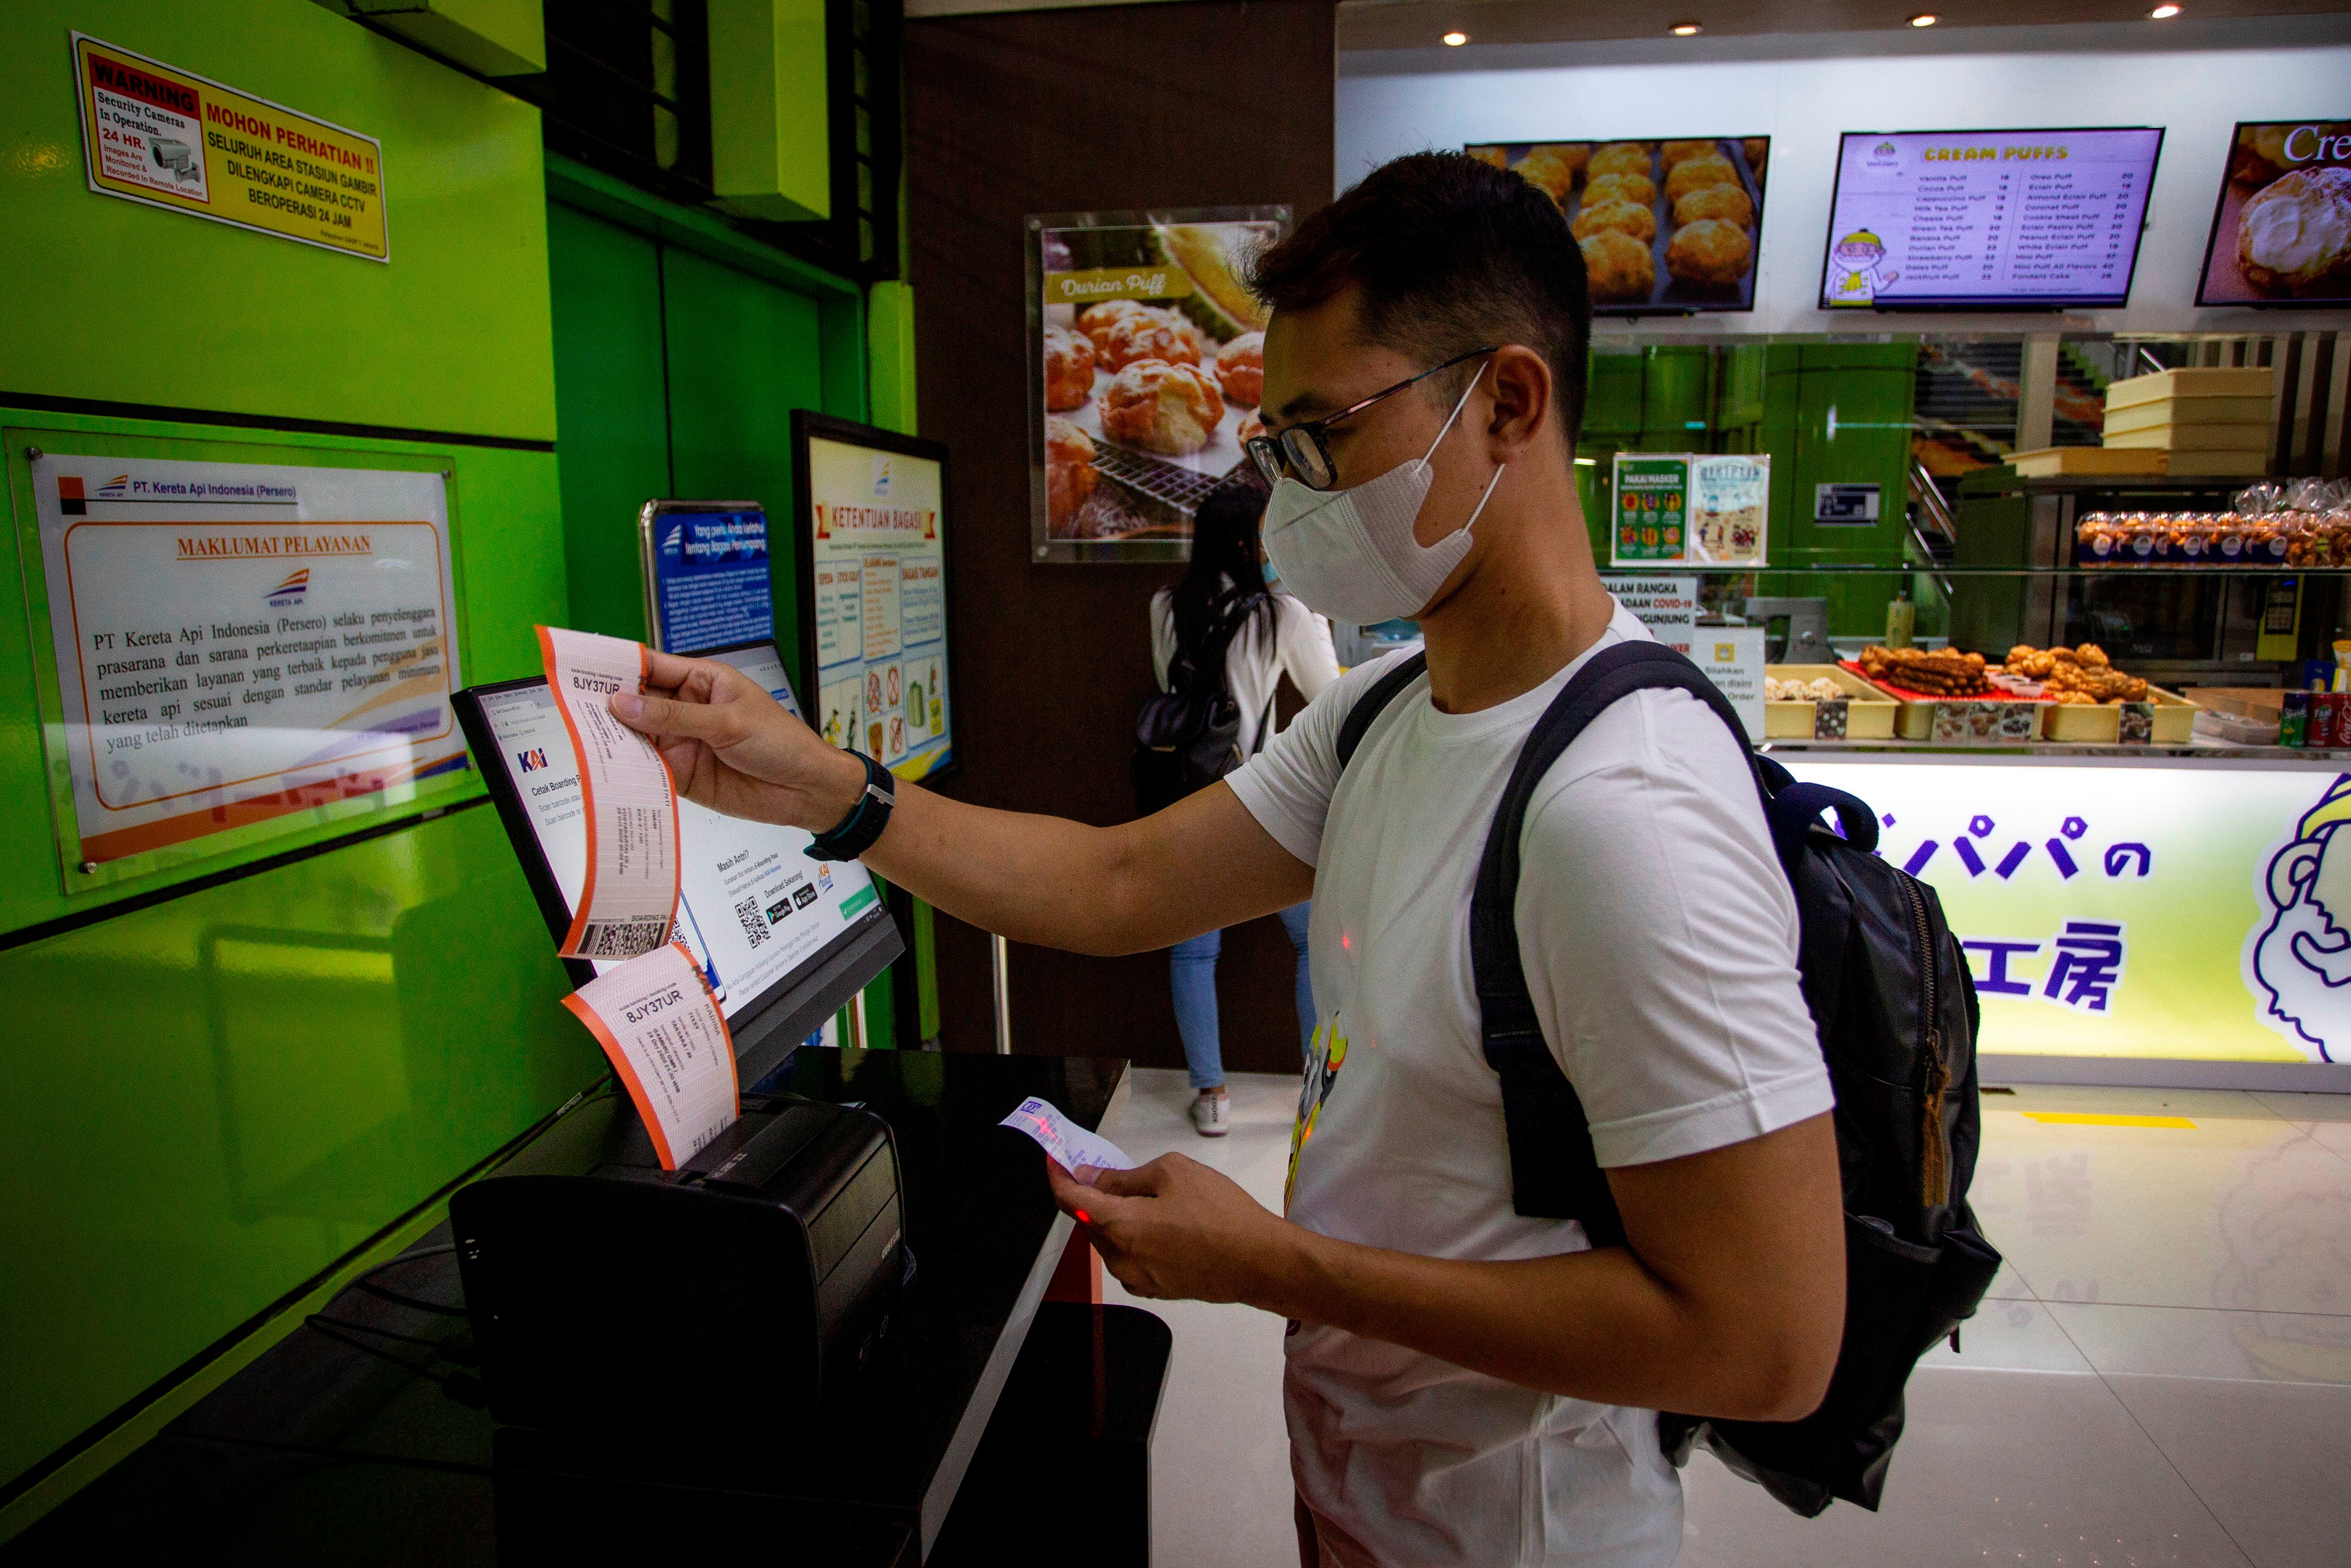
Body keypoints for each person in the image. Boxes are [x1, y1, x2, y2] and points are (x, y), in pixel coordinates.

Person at [610, 151, 1844, 1568]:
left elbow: (1765, 1345)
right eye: (1275, 446)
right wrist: (828, 789)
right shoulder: (1384, 712)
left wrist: (1275, 1265)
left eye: (1323, 435)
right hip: (1370, 1493)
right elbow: (1120, 885)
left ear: (1507, 403)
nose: (1287, 496)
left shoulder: (1624, 814)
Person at [1151, 482, 1341, 1136]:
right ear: (1242, 540)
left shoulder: (1165, 606)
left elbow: (1169, 688)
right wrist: (1314, 615)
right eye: (1262, 533)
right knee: (1313, 941)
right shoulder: (1280, 614)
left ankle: (1212, 1096)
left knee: (1192, 953)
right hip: (1264, 797)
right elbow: (1328, 693)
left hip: (1190, 799)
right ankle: (1317, 1089)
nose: (1269, 544)